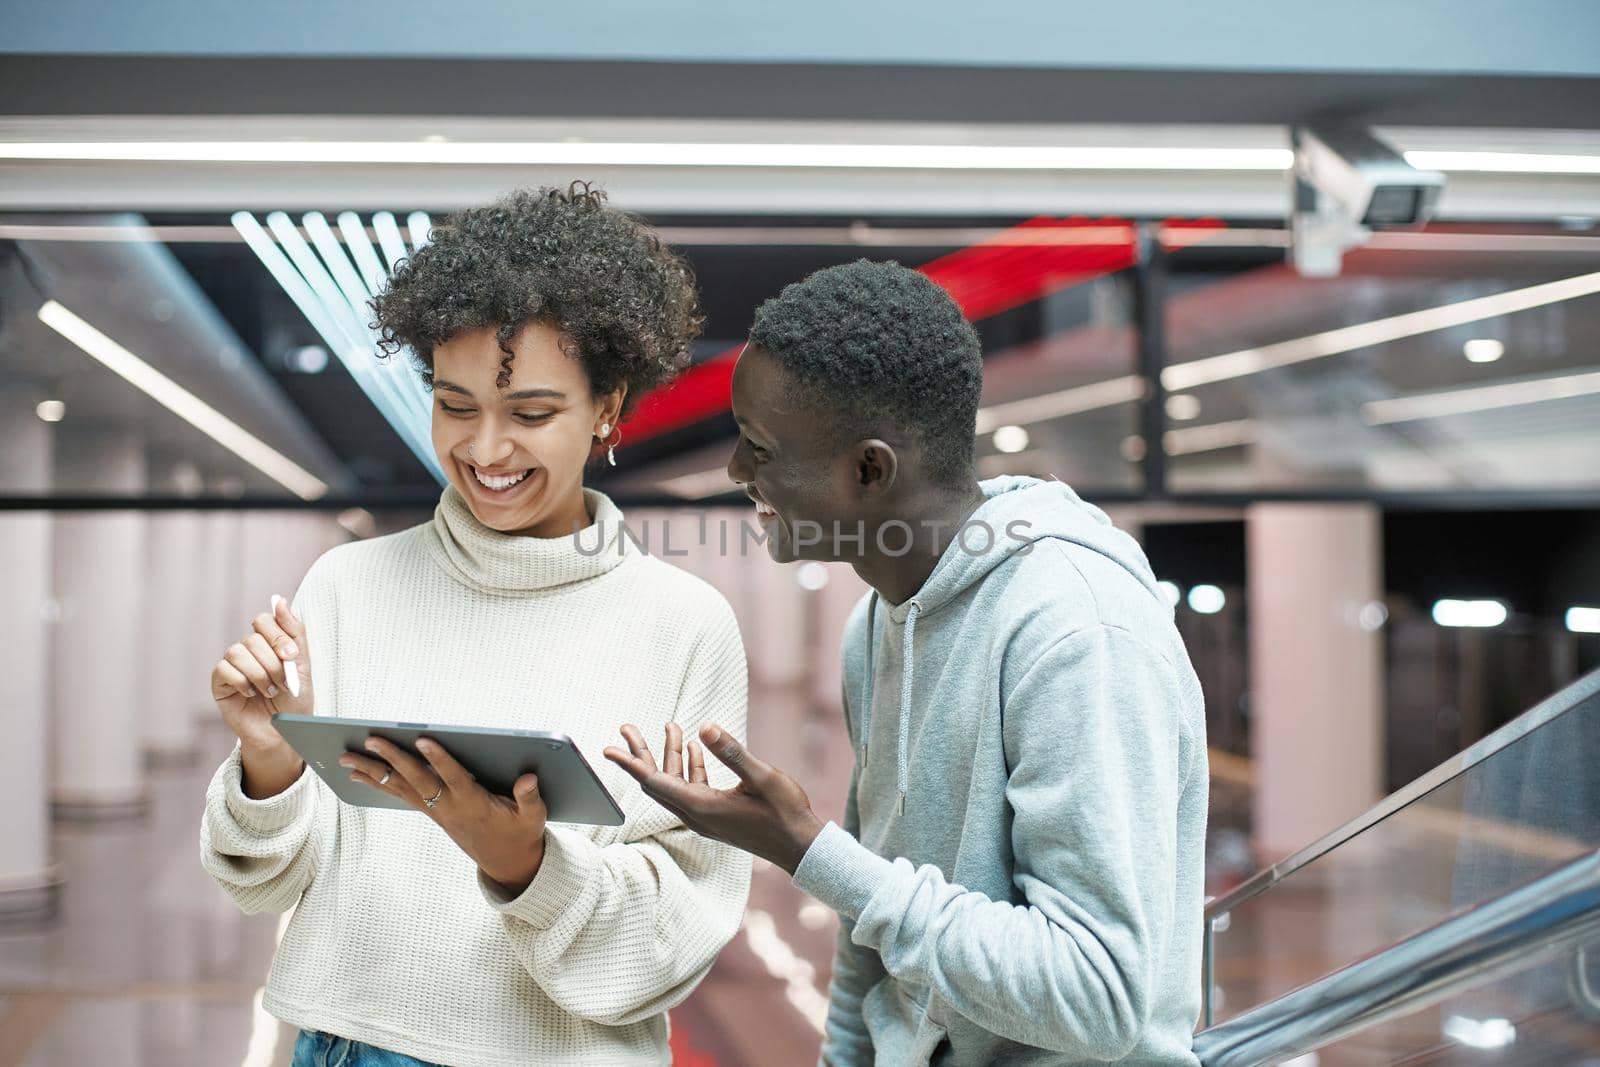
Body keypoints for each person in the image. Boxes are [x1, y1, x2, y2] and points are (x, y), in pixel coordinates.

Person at [201, 185, 751, 1067]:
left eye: (530, 413)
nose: (486, 450)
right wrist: (270, 761)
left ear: (607, 406)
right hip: (345, 1048)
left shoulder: (682, 625)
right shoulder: (349, 584)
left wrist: (528, 868)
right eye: (456, 405)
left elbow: (679, 930)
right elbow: (264, 885)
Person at [607, 259, 1208, 1065]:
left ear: (869, 470)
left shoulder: (1076, 634)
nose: (737, 472)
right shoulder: (876, 624)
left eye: (758, 446)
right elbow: (874, 949)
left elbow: (1098, 994)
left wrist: (810, 851)